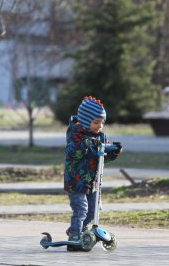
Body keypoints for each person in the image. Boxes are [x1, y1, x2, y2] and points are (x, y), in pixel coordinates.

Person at [64, 96, 122, 251]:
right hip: (76, 181)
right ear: (85, 120)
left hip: (93, 181)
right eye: (96, 122)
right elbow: (72, 153)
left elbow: (102, 159)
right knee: (81, 208)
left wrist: (113, 151)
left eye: (102, 122)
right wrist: (84, 144)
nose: (100, 126)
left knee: (95, 209)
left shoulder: (100, 137)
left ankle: (82, 231)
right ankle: (74, 235)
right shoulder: (75, 133)